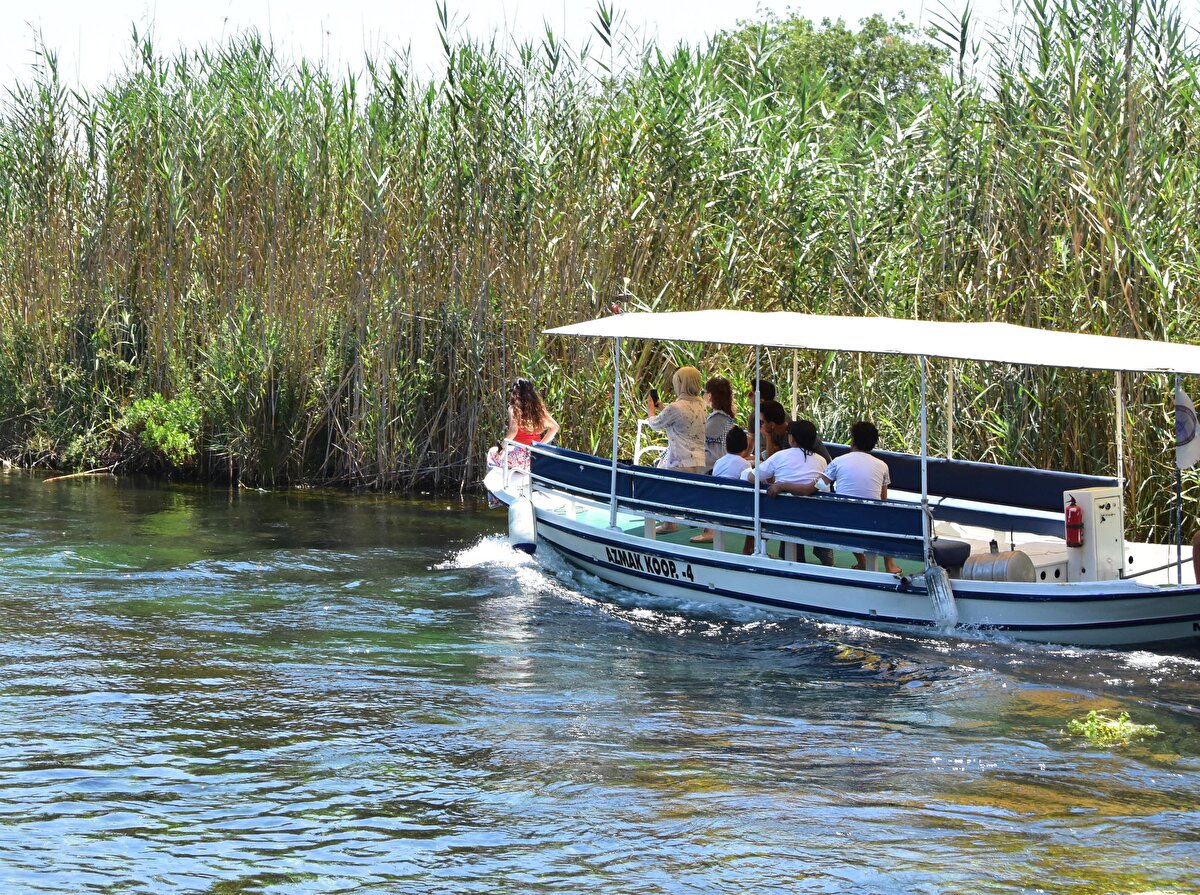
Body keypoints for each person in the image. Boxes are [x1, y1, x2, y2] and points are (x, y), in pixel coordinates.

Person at [820, 421, 902, 575]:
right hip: (872, 521)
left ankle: (862, 561)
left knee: (844, 516)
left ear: (853, 439)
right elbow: (883, 500)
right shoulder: (883, 465)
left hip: (842, 520)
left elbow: (819, 485)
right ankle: (889, 564)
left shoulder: (838, 461)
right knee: (884, 517)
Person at [644, 366, 706, 534]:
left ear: (679, 383)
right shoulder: (702, 404)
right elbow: (685, 419)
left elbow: (655, 424)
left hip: (679, 459)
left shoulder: (675, 407)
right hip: (700, 459)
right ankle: (702, 525)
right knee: (695, 492)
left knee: (663, 487)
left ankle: (669, 523)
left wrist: (651, 410)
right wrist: (663, 408)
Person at [690, 425, 751, 544]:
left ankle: (709, 531)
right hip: (734, 506)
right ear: (745, 446)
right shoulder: (745, 464)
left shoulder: (719, 461)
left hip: (715, 503)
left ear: (726, 445)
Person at [492, 377, 559, 472]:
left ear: (515, 393)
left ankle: (502, 482)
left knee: (492, 454)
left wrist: (502, 447)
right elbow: (555, 427)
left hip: (520, 458)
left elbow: (513, 431)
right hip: (535, 458)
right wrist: (539, 446)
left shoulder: (514, 409)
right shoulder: (539, 410)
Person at [702, 376, 736, 473]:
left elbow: (697, 436)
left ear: (709, 395)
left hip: (710, 467)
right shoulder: (724, 417)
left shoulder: (718, 418)